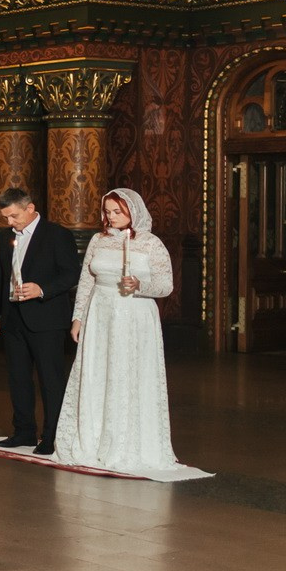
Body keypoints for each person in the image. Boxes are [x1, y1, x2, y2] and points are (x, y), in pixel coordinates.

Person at [54, 190, 209, 480]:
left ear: (133, 211)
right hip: (100, 313)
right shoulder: (98, 240)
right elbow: (86, 281)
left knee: (126, 373)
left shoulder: (151, 243)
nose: (111, 217)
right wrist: (78, 318)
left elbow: (166, 286)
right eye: (107, 211)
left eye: (117, 212)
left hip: (134, 316)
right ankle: (92, 439)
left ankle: (126, 442)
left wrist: (139, 285)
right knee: (98, 372)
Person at [0, 187, 80, 454]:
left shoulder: (57, 235)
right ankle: (24, 432)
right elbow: (0, 276)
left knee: (50, 380)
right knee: (18, 378)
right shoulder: (5, 236)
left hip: (46, 318)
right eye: (6, 217)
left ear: (30, 208)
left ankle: (52, 437)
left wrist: (42, 289)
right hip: (12, 318)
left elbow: (72, 274)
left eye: (14, 216)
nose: (9, 222)